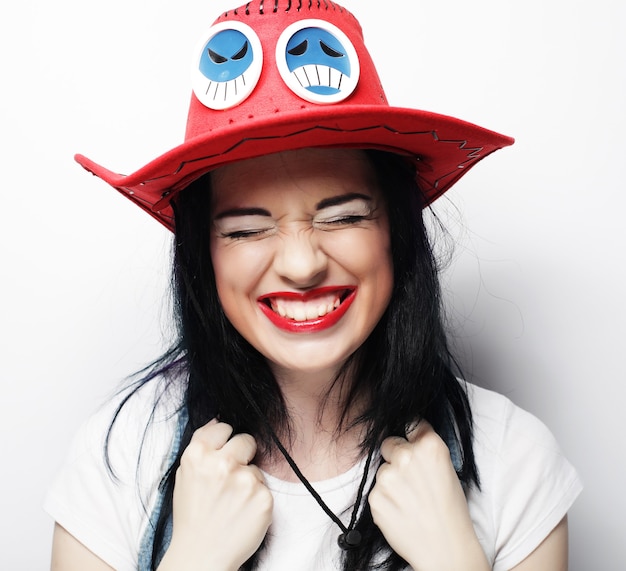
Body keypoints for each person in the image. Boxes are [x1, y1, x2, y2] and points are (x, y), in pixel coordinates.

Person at [45, 2, 582, 570]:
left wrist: (454, 561)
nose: (302, 266)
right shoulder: (121, 455)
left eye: (344, 217)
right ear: (203, 254)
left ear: (396, 232)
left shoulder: (512, 461)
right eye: (248, 229)